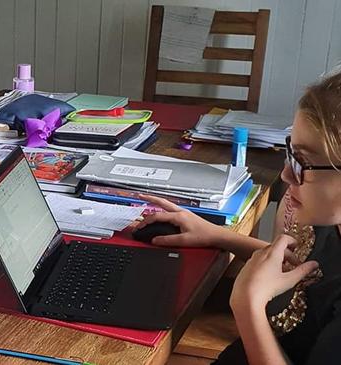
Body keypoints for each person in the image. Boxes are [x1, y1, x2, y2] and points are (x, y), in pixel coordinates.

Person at [136, 72, 341, 364]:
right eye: (291, 154)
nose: (285, 175)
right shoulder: (330, 226)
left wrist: (248, 307)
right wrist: (216, 235)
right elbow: (300, 269)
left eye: (304, 162)